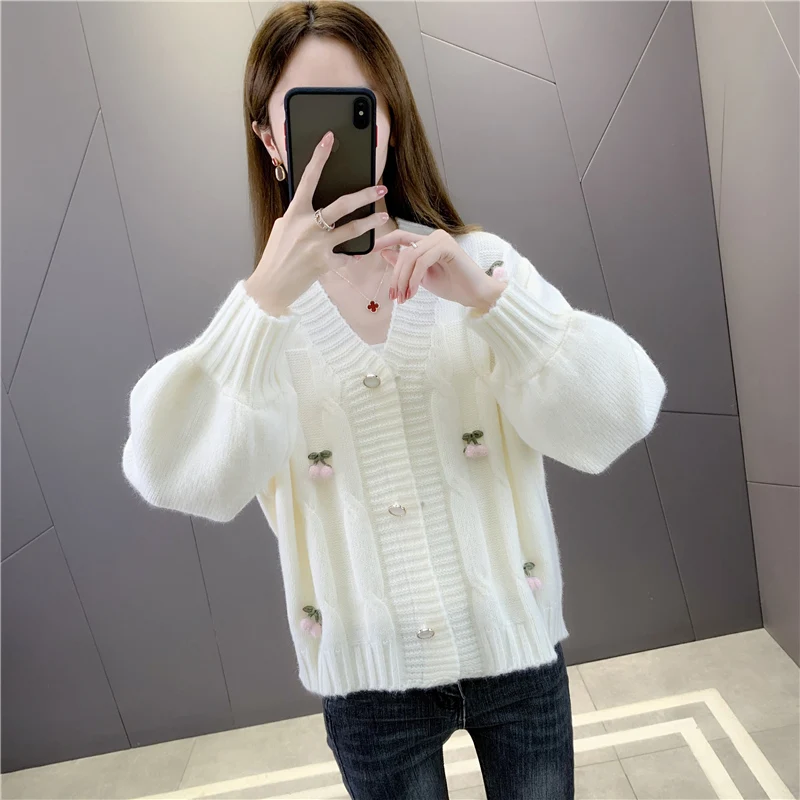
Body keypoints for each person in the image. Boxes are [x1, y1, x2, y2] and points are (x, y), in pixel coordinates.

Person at [122, 2, 666, 798]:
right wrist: (262, 302)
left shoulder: (478, 267)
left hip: (518, 656)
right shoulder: (264, 326)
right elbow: (170, 472)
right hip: (370, 688)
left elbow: (623, 410)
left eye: (359, 107)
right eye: (307, 116)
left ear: (389, 118)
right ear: (269, 139)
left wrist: (492, 305)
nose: (336, 139)